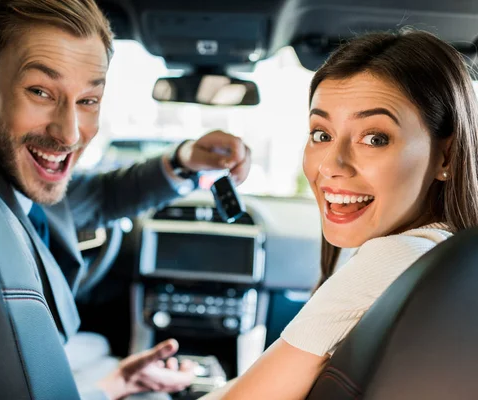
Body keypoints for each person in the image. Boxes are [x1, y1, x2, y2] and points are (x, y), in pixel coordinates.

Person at [0, 0, 252, 399]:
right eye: (41, 92)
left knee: (104, 349)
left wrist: (184, 160)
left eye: (88, 101)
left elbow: (98, 196)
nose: (69, 134)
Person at [200, 29, 478, 399]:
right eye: (321, 134)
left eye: (375, 138)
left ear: (445, 156)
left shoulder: (394, 259)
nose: (332, 165)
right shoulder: (449, 260)